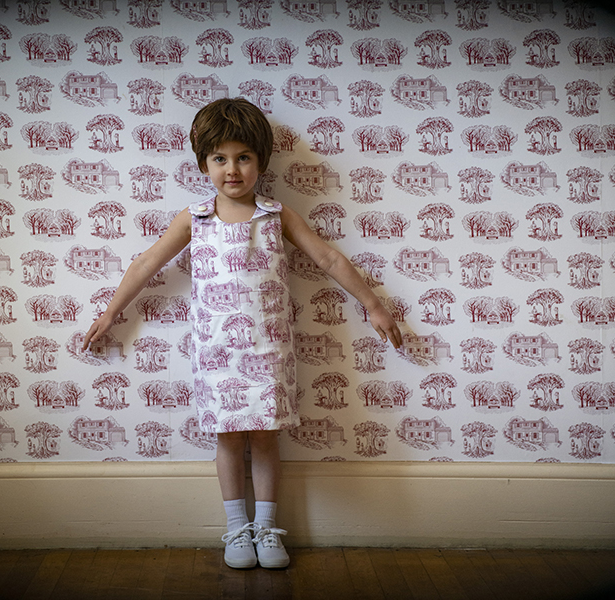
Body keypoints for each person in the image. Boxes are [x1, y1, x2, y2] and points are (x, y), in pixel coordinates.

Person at [83, 98, 402, 569]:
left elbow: (328, 258)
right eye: (219, 158)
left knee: (268, 436)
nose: (232, 170)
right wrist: (111, 313)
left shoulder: (277, 216)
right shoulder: (195, 218)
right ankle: (237, 529)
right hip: (216, 354)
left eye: (243, 157)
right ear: (203, 162)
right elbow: (148, 262)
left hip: (269, 350)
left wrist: (372, 303)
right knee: (229, 439)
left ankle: (269, 529)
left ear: (261, 162)